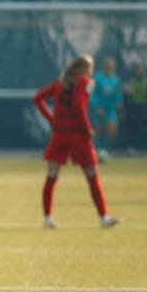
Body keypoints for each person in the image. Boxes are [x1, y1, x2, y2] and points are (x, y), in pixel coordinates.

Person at [33, 54, 120, 229]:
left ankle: (47, 217)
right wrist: (87, 128)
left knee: (51, 176)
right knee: (92, 176)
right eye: (90, 68)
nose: (91, 72)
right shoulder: (85, 82)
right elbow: (79, 106)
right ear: (82, 69)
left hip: (59, 135)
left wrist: (52, 119)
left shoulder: (60, 83)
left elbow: (38, 98)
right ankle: (103, 217)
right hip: (77, 136)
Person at [89, 56, 122, 160]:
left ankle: (103, 150)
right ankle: (93, 150)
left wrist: (119, 105)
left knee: (111, 129)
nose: (110, 68)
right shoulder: (97, 78)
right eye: (108, 66)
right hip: (97, 107)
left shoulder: (116, 80)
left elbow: (118, 95)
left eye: (112, 66)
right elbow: (92, 94)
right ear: (103, 67)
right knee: (96, 129)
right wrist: (97, 106)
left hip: (110, 109)